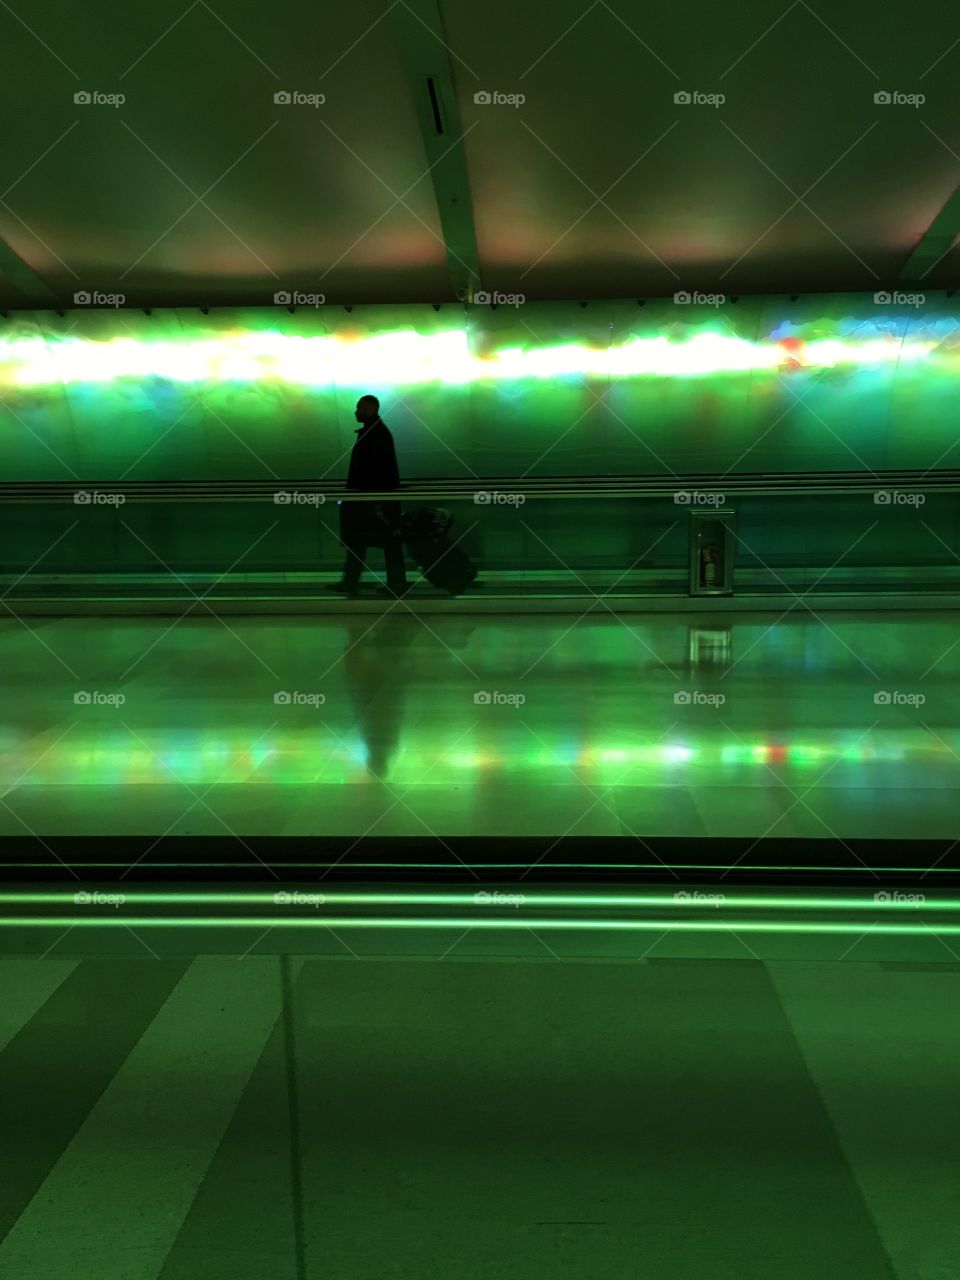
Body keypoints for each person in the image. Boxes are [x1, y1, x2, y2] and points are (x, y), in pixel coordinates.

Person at [326, 395, 410, 598]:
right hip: (375, 499)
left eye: (359, 408)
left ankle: (353, 582)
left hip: (367, 500)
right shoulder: (378, 432)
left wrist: (370, 499)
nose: (356, 412)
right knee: (383, 541)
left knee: (361, 540)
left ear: (370, 409)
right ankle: (394, 583)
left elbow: (371, 469)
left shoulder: (373, 434)